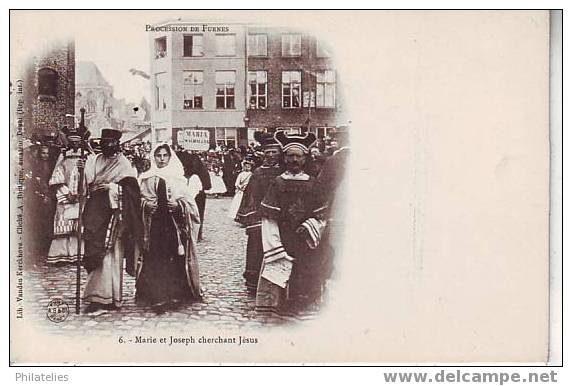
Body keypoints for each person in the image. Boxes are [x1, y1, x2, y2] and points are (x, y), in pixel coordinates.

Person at [255, 131, 331, 314]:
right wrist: (274, 242)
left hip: (305, 238)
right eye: (290, 156)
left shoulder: (313, 184)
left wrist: (312, 227)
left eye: (298, 156)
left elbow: (322, 214)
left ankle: (304, 300)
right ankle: (280, 303)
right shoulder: (278, 183)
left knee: (306, 268)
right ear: (285, 158)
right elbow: (268, 215)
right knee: (282, 267)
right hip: (283, 235)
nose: (294, 160)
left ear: (305, 159)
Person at [136, 144, 202, 314]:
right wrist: (145, 204)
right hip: (154, 225)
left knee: (173, 257)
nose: (162, 159)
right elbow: (137, 201)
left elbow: (191, 206)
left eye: (165, 155)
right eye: (158, 156)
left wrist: (179, 205)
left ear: (170, 157)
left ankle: (175, 294)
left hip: (173, 225)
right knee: (155, 258)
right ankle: (156, 296)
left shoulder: (178, 179)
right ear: (153, 157)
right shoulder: (146, 179)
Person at [81, 128, 142, 313]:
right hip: (95, 212)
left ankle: (109, 297)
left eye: (111, 143)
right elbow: (88, 182)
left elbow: (131, 191)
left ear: (117, 144)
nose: (108, 146)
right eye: (104, 142)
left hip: (114, 215)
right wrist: (81, 168)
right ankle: (95, 295)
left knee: (110, 254)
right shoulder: (95, 159)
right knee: (94, 250)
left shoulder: (124, 164)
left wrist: (112, 187)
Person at [236, 132, 284, 293]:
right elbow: (250, 196)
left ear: (280, 153)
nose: (270, 155)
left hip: (280, 218)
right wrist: (252, 215)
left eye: (274, 151)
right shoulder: (258, 173)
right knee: (257, 248)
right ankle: (253, 282)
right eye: (267, 152)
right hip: (260, 218)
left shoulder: (284, 172)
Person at [46, 127, 88, 265]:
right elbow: (56, 177)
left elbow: (90, 176)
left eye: (78, 142)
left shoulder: (87, 156)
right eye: (72, 142)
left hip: (82, 196)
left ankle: (78, 254)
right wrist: (66, 193)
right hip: (65, 196)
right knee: (64, 225)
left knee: (79, 226)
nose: (75, 145)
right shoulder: (63, 156)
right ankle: (61, 254)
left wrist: (82, 191)